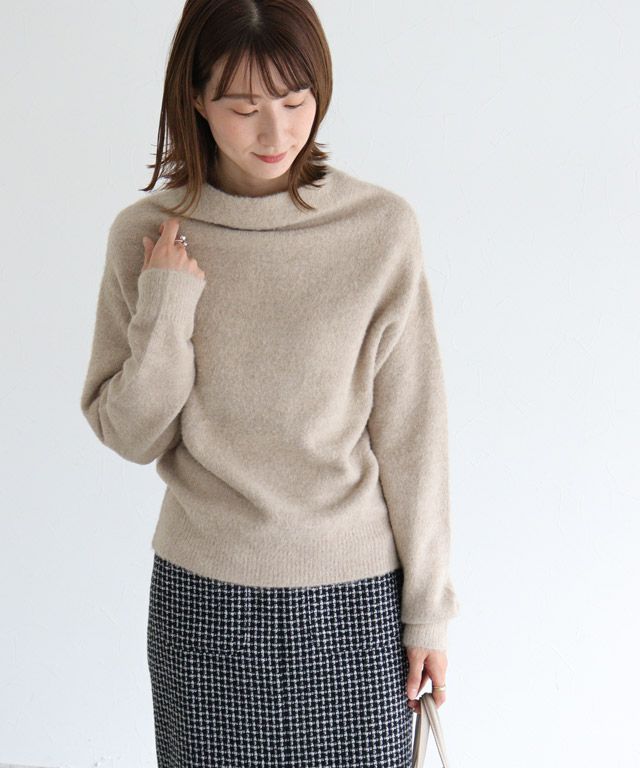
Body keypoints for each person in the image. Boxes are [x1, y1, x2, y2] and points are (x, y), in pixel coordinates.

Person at [80, 0, 460, 765]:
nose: (276, 133)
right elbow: (131, 434)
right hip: (203, 603)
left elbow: (413, 434)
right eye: (242, 106)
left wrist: (429, 612)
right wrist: (167, 304)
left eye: (295, 101)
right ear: (195, 97)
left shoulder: (380, 229)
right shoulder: (147, 237)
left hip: (356, 605)